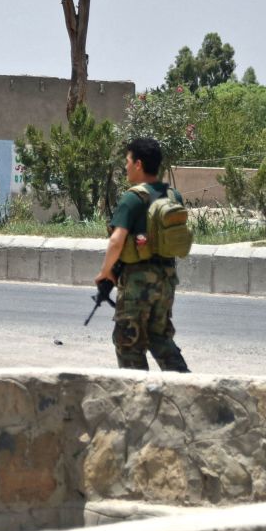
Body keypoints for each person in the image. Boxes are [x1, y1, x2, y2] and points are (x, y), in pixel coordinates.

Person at [94, 137, 190, 373]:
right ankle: (185, 384)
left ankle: (137, 395)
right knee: (160, 336)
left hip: (138, 283)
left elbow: (116, 241)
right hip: (167, 279)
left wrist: (105, 272)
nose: (125, 166)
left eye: (127, 161)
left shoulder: (132, 198)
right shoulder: (173, 196)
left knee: (128, 341)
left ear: (138, 164)